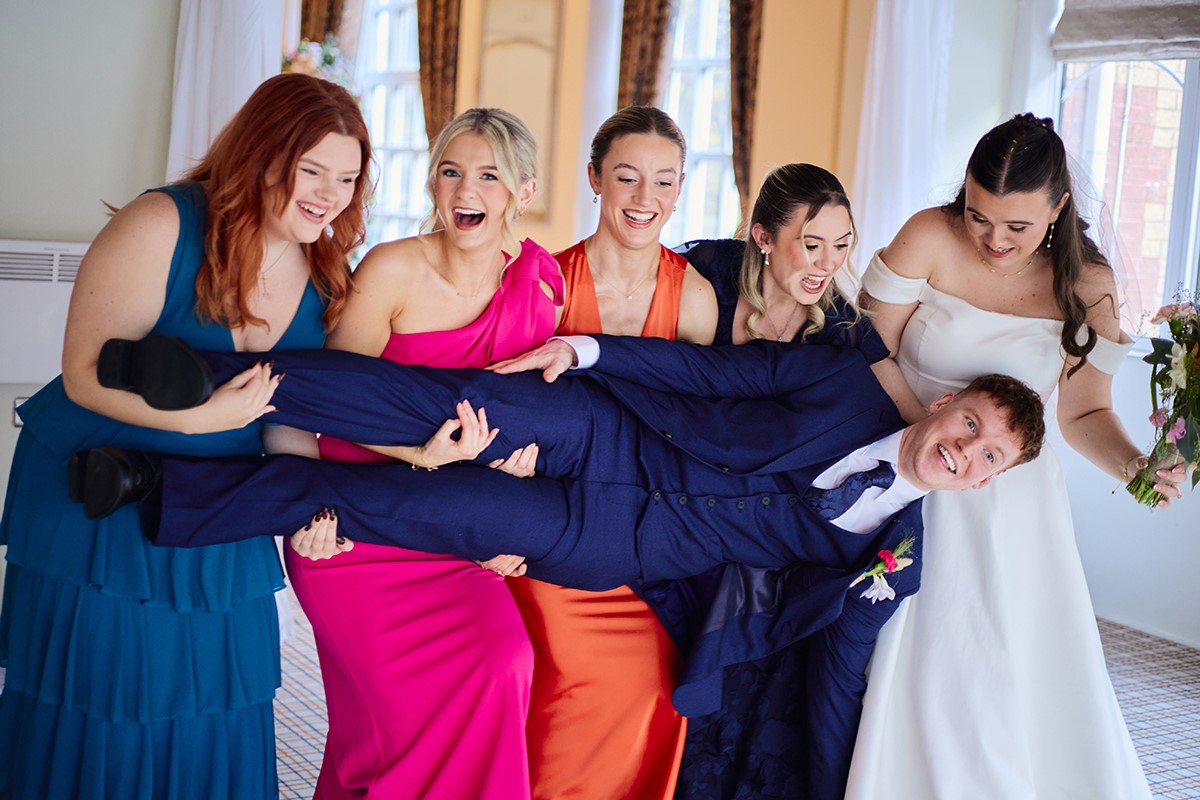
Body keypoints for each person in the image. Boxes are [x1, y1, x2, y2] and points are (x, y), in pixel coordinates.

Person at [0, 72, 372, 800]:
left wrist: (309, 509)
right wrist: (202, 419)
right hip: (100, 497)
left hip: (218, 506)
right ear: (263, 155)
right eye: (312, 170)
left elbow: (287, 421)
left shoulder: (328, 275)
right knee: (106, 703)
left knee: (220, 702)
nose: (330, 194)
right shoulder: (162, 224)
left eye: (348, 177)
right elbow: (83, 373)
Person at [75, 334, 1042, 611]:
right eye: (971, 423)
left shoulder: (889, 552)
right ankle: (203, 375)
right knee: (447, 407)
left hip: (605, 541)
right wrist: (588, 352)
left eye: (986, 455)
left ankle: (153, 485)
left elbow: (771, 611)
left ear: (983, 481)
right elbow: (718, 373)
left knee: (396, 503)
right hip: (616, 427)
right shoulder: (844, 383)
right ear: (947, 403)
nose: (966, 448)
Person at [844, 113, 1188, 800]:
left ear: (1057, 208)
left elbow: (1083, 412)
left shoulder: (1088, 285)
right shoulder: (928, 236)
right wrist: (935, 443)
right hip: (912, 467)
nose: (994, 239)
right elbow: (863, 350)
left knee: (1007, 671)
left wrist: (1135, 469)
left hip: (1013, 502)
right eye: (979, 216)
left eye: (1018, 226)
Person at [276, 107, 561, 799]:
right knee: (393, 727)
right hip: (353, 527)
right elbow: (323, 400)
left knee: (504, 662)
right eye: (451, 172)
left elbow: (542, 422)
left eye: (489, 176)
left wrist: (519, 486)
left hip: (455, 536)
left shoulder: (540, 284)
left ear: (523, 191)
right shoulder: (393, 269)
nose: (466, 190)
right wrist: (418, 453)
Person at [668, 163, 914, 799]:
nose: (828, 264)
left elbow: (900, 404)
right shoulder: (706, 277)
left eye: (842, 245)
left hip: (766, 515)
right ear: (762, 236)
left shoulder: (842, 327)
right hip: (678, 477)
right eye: (811, 243)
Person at [511, 106, 717, 800]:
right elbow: (509, 412)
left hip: (645, 541)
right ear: (595, 178)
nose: (644, 197)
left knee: (658, 683)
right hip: (548, 526)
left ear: (680, 188)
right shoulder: (547, 281)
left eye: (664, 181)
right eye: (627, 177)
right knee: (570, 681)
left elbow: (696, 434)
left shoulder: (694, 297)